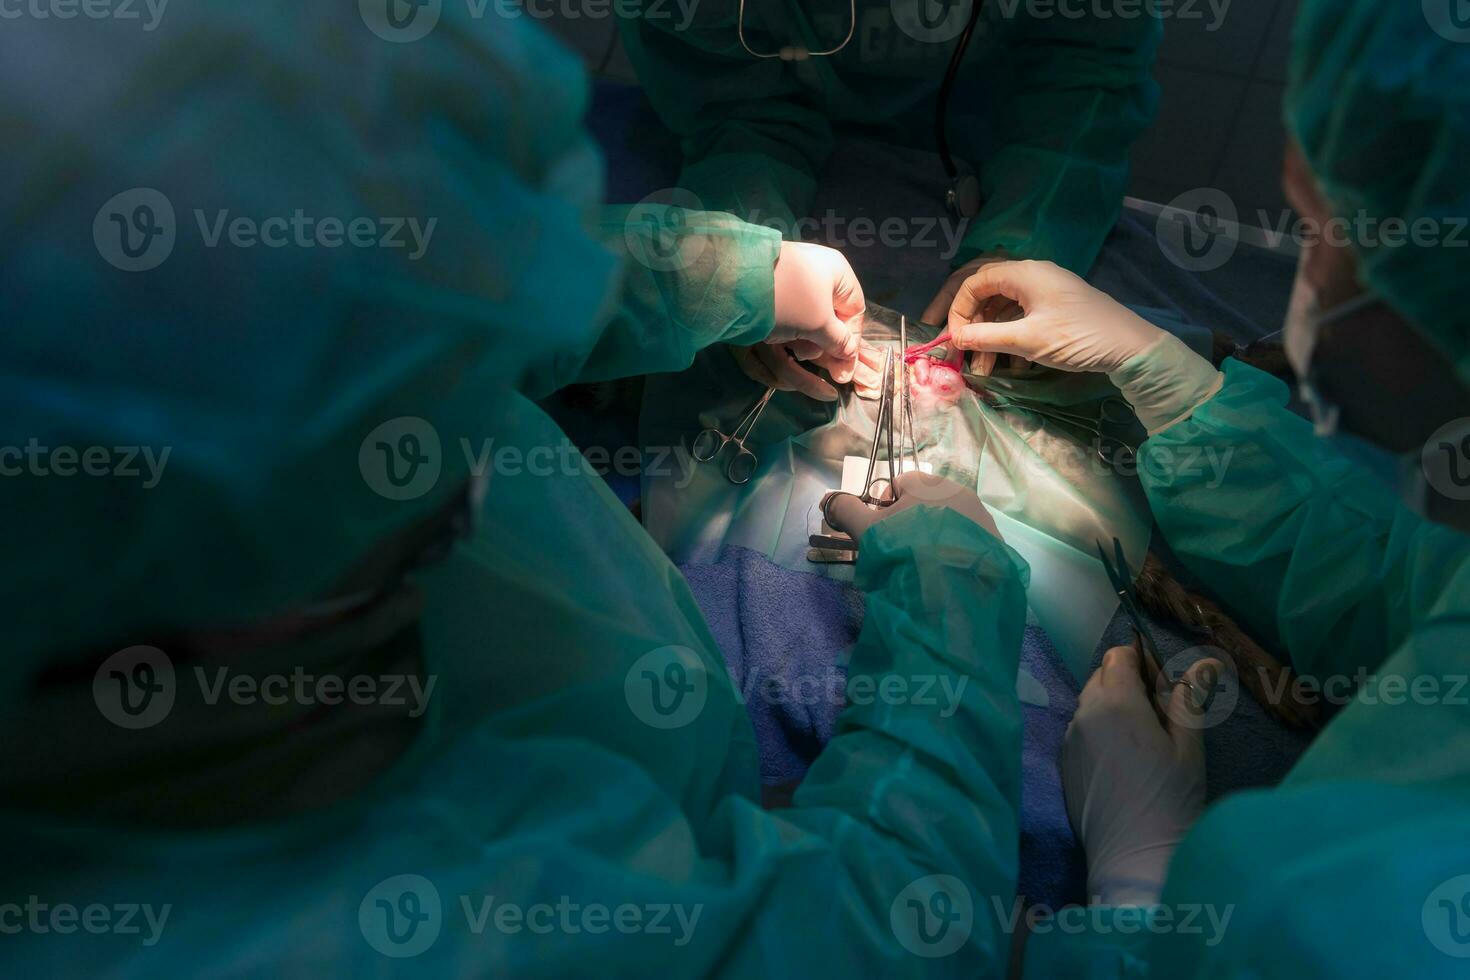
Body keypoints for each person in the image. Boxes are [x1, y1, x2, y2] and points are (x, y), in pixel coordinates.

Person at [0, 4, 1031, 976]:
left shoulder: (165, 365)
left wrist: (725, 276)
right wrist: (952, 608)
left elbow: (391, 282)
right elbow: (879, 937)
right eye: (420, 483)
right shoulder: (366, 923)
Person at [934, 0, 1470, 972]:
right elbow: (1416, 593)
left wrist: (1145, 895)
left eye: (1316, 230)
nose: (1302, 276)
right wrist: (1176, 393)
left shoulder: (1348, 906)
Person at [615, 0, 1161, 388]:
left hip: (982, 105)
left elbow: (1087, 72)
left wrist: (1026, 236)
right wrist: (742, 268)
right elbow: (730, 103)